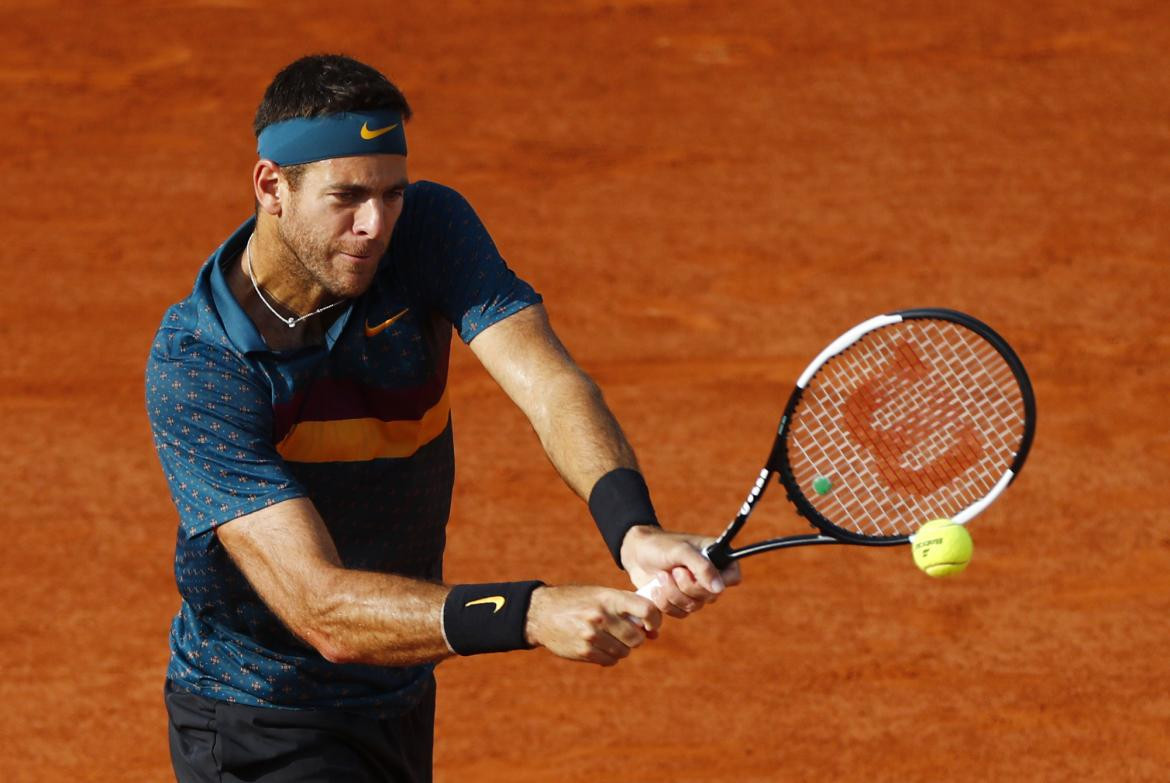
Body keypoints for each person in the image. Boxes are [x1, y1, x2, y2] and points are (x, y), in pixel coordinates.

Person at [146, 53, 739, 782]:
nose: (375, 224)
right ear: (272, 185)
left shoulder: (427, 230)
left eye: (392, 194)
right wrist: (528, 612)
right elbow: (321, 608)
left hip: (399, 689)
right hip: (263, 718)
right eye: (348, 197)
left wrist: (633, 527)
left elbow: (547, 381)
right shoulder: (204, 363)